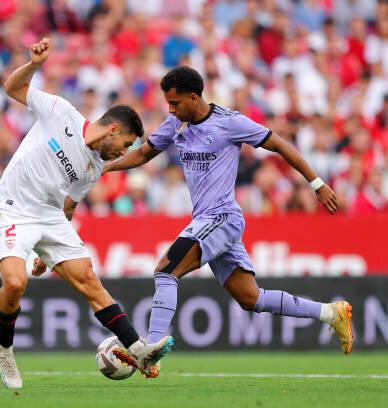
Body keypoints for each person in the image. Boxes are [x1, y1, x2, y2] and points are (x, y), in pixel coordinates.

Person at [104, 66, 352, 377]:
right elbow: (143, 154)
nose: (170, 109)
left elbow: (280, 145)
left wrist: (317, 183)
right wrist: (106, 168)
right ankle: (331, 313)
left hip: (221, 217)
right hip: (209, 222)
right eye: (168, 103)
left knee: (166, 271)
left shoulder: (229, 123)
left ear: (194, 98)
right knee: (252, 299)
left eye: (175, 103)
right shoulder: (175, 123)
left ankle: (150, 350)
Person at [0, 37, 173, 389]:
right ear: (115, 129)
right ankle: (4, 349)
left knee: (90, 281)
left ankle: (138, 349)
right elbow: (11, 87)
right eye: (126, 144)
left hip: (49, 218)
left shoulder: (94, 168)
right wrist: (34, 65)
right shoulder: (60, 111)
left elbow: (69, 206)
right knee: (15, 282)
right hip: (11, 209)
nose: (123, 152)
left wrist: (49, 249)